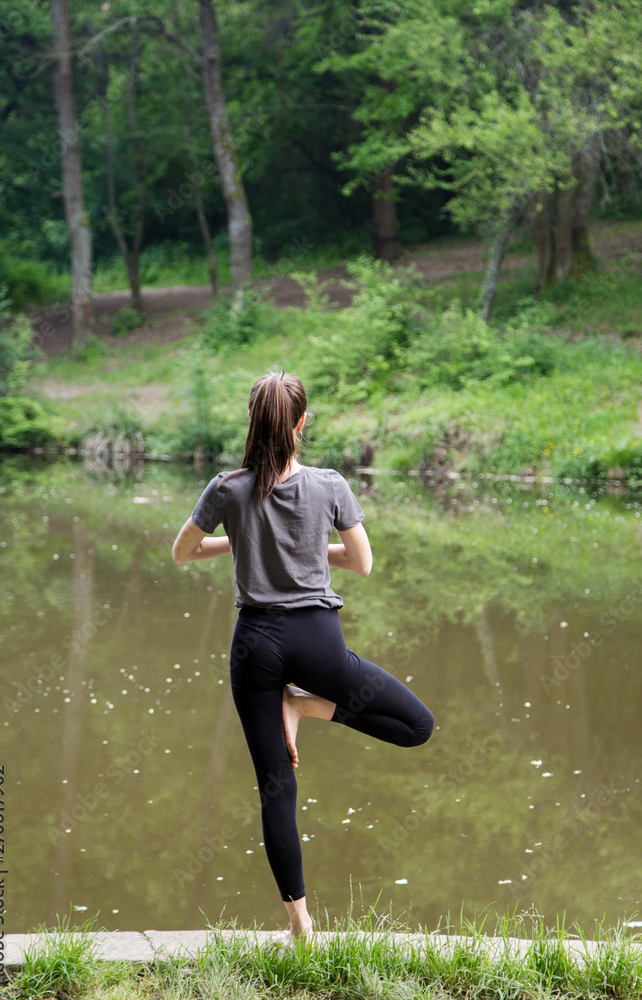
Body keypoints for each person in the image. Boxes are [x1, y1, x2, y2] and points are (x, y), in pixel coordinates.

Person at [172, 372, 434, 943]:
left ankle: (300, 926)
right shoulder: (330, 484)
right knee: (418, 727)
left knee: (276, 789)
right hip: (318, 644)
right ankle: (310, 709)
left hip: (254, 648)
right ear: (301, 423)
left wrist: (242, 540)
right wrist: (311, 550)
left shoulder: (227, 488)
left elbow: (183, 552)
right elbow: (362, 562)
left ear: (251, 421)